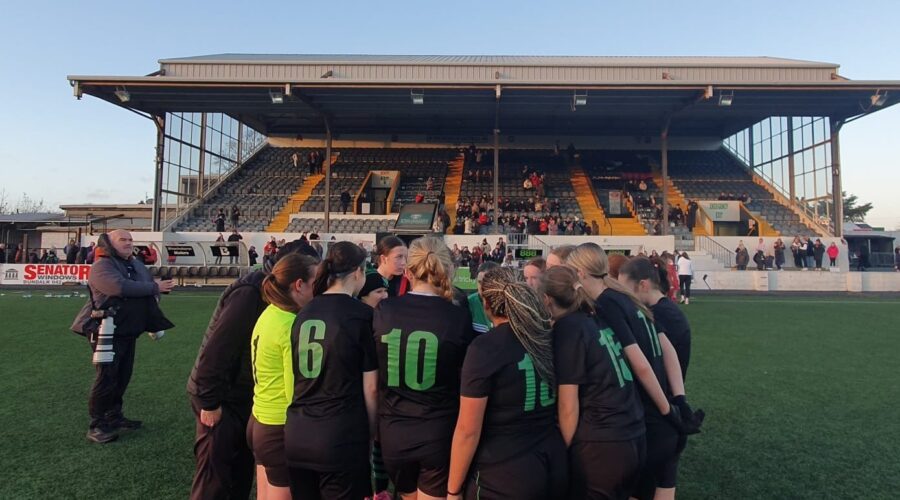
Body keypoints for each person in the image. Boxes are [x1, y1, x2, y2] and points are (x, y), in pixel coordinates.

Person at [567, 244, 701, 500]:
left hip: (648, 422)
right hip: (664, 419)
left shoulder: (606, 305)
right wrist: (679, 402)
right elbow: (668, 349)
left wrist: (667, 412)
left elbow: (640, 363)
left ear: (581, 273)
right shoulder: (626, 298)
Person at [447, 267, 567, 499]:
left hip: (503, 472)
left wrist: (453, 490)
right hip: (553, 461)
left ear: (487, 305)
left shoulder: (486, 348)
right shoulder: (548, 336)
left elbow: (467, 431)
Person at [373, 237, 475, 500]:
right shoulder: (457, 316)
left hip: (393, 432)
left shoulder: (385, 309)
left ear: (408, 270)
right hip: (438, 430)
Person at [541, 266, 646, 499]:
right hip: (633, 434)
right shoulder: (592, 317)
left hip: (603, 446)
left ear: (547, 300)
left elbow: (569, 406)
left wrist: (563, 453)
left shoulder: (568, 329)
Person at [284, 242, 378, 499]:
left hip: (297, 432)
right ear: (359, 272)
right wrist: (372, 434)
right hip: (340, 435)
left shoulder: (304, 312)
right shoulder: (361, 315)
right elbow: (370, 387)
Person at [70, 230, 176, 444]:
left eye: (130, 240)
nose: (128, 243)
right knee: (107, 377)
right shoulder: (102, 265)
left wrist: (153, 305)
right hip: (104, 329)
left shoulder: (135, 264)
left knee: (122, 375)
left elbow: (146, 289)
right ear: (109, 243)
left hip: (127, 328)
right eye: (123, 240)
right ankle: (97, 424)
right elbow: (118, 287)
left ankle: (114, 416)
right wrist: (154, 287)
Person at [248, 254, 319, 500]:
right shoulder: (291, 323)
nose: (318, 289)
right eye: (315, 282)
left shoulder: (270, 312)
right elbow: (294, 389)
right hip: (279, 426)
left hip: (260, 419)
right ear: (299, 285)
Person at [467, 261, 500, 334]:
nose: (482, 287)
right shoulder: (469, 303)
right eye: (479, 282)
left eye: (487, 282)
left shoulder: (507, 304)